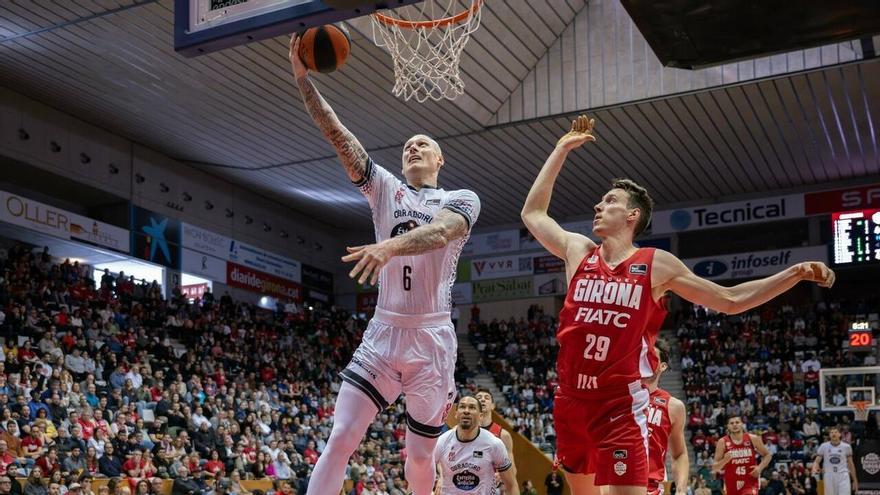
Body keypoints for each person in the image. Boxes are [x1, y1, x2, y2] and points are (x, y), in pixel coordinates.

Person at [520, 115, 834, 495]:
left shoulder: (655, 264)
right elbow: (533, 214)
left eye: (610, 201)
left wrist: (793, 274)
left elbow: (730, 300)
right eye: (602, 200)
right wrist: (561, 149)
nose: (598, 206)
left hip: (620, 405)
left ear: (632, 216)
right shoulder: (578, 251)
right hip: (569, 399)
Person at [289, 32, 480, 495]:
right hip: (383, 332)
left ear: (440, 157)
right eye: (407, 145)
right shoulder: (385, 189)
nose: (412, 148)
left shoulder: (461, 198)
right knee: (340, 438)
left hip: (432, 340)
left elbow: (442, 233)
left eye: (422, 144)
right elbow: (339, 136)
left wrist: (388, 249)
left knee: (418, 457)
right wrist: (302, 80)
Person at [433, 397, 517, 495]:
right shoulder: (442, 441)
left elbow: (511, 485)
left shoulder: (494, 444)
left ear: (481, 416)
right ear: (456, 414)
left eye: (472, 407)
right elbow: (420, 470)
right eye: (462, 407)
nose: (466, 411)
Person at [644, 341, 688, 495]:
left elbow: (679, 454)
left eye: (650, 356)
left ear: (662, 366)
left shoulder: (673, 406)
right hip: (615, 484)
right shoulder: (616, 396)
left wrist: (681, 491)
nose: (644, 360)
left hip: (651, 488)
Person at [712, 416, 772, 495]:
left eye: (737, 422)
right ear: (728, 426)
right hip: (731, 483)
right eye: (731, 423)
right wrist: (724, 460)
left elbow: (768, 455)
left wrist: (760, 468)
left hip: (750, 481)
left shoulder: (753, 438)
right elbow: (715, 467)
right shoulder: (722, 442)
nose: (734, 425)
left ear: (742, 424)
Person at [811, 427, 857, 495]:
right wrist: (814, 467)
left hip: (843, 475)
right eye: (831, 432)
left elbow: (851, 464)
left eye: (835, 432)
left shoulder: (846, 446)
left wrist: (855, 480)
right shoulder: (824, 446)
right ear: (829, 435)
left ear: (839, 434)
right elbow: (817, 461)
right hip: (829, 476)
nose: (833, 434)